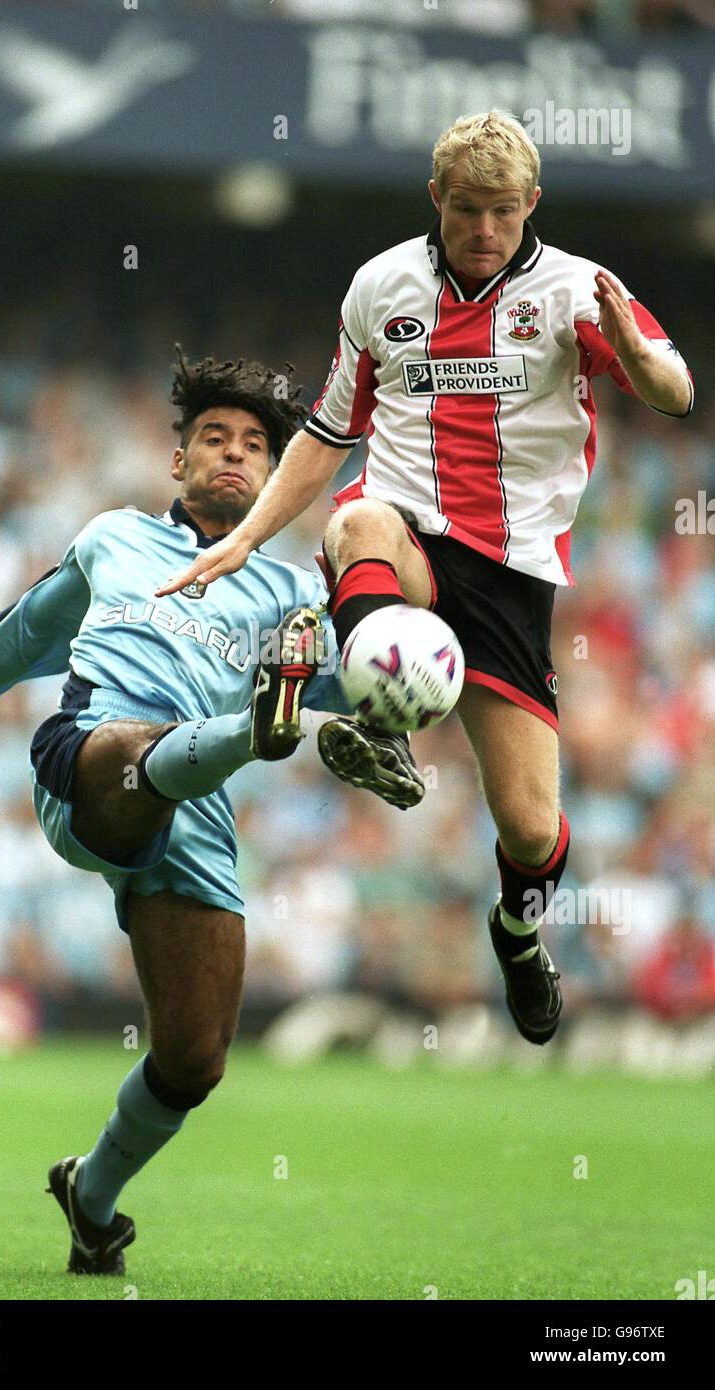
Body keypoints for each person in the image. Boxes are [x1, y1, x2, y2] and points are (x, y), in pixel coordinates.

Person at [159, 111, 695, 1049]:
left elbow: (675, 393)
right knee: (356, 521)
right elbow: (329, 434)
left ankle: (520, 934)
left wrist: (642, 355)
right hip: (404, 526)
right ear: (435, 202)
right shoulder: (383, 286)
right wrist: (245, 537)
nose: (482, 231)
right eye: (464, 211)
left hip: (513, 574)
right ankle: (377, 720)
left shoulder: (575, 292)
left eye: (500, 212)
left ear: (530, 205)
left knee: (531, 830)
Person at [0, 347, 424, 1275]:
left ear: (274, 473)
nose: (232, 454)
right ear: (178, 460)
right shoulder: (116, 540)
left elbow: (384, 679)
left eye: (255, 446)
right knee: (140, 745)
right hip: (88, 763)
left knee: (194, 1059)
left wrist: (402, 703)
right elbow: (27, 630)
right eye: (212, 437)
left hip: (195, 823)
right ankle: (260, 730)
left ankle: (90, 1196)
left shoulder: (297, 597)